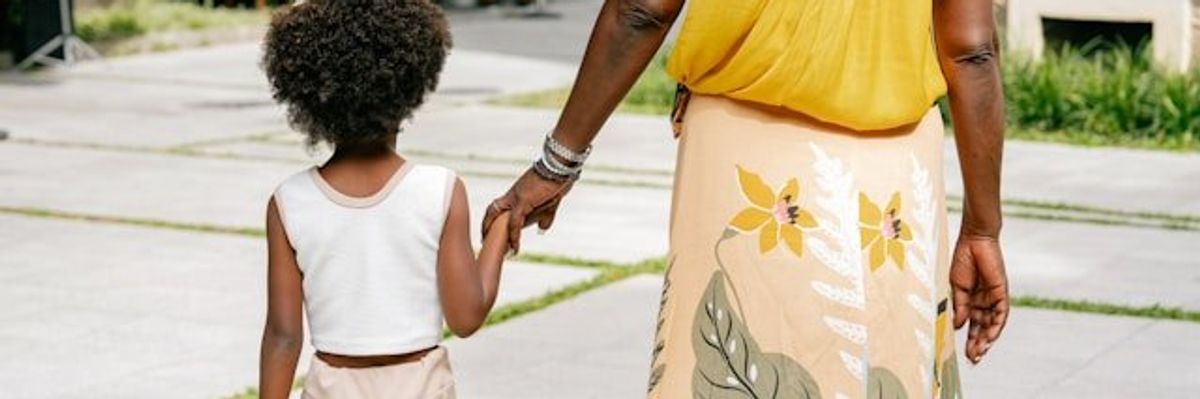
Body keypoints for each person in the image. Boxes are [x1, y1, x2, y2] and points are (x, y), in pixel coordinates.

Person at [485, 0, 1010, 397]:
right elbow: (970, 49)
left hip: (745, 156)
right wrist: (983, 228)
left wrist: (558, 164)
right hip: (894, 171)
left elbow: (642, 10)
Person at [257, 1, 511, 398]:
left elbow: (283, 336)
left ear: (312, 98)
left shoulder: (289, 202)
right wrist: (500, 229)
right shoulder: (439, 190)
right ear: (407, 87)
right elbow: (466, 315)